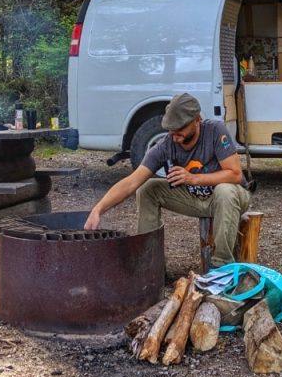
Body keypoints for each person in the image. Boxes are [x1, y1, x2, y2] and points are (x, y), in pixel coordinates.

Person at [83, 93, 251, 267]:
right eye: (171, 128)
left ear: (196, 120)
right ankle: (150, 265)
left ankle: (221, 267)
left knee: (224, 190)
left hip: (231, 197)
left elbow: (235, 175)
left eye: (180, 128)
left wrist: (193, 178)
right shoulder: (165, 145)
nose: (174, 134)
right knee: (147, 188)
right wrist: (98, 209)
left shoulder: (215, 131)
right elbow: (131, 182)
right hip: (194, 199)